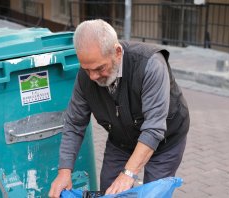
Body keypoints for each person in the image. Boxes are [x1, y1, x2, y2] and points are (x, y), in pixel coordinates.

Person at [48, 19, 190, 197]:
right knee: (110, 191)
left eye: (100, 68)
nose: (92, 77)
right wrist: (64, 171)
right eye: (86, 69)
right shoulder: (86, 77)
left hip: (165, 140)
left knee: (153, 192)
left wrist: (128, 173)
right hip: (122, 140)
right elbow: (74, 124)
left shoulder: (150, 64)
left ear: (117, 52)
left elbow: (154, 129)